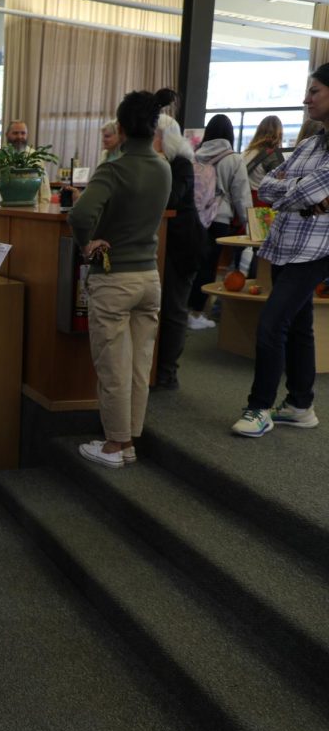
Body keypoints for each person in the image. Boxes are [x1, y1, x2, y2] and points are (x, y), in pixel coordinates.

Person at [66, 89, 172, 468]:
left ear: (122, 128)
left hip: (114, 280)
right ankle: (128, 440)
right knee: (139, 366)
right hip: (148, 277)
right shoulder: (164, 167)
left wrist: (87, 243)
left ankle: (114, 445)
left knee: (113, 365)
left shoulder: (114, 168)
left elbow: (79, 216)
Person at [229, 64, 329, 438]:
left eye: (315, 91)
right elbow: (268, 188)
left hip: (316, 251)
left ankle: (259, 407)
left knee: (271, 324)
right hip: (285, 246)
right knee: (300, 326)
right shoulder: (308, 143)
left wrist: (298, 190)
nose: (306, 99)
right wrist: (307, 196)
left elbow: (294, 190)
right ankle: (301, 404)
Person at [153, 112, 204, 391]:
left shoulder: (181, 164)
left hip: (182, 245)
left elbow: (170, 200)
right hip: (162, 243)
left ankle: (167, 373)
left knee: (173, 310)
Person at [188, 114, 251, 330]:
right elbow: (241, 196)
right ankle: (196, 313)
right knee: (209, 265)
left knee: (190, 263)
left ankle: (182, 309)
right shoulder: (234, 159)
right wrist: (249, 225)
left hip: (194, 217)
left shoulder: (194, 156)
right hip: (219, 218)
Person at [242, 116, 285, 203]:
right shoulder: (273, 156)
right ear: (278, 133)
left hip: (244, 201)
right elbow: (278, 188)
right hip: (262, 205)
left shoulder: (246, 153)